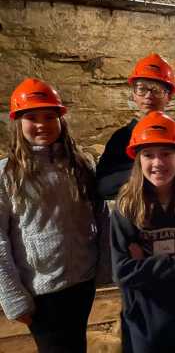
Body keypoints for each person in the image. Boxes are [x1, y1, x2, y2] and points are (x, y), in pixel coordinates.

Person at [0, 78, 103, 353]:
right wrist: (13, 297)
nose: (42, 124)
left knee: (76, 345)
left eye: (49, 116)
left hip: (82, 281)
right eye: (32, 117)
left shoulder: (81, 164)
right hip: (41, 289)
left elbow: (97, 215)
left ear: (61, 119)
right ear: (18, 122)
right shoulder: (7, 174)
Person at [110, 111, 175, 353]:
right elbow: (122, 272)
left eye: (166, 153)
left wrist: (145, 264)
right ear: (138, 160)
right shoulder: (127, 209)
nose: (158, 163)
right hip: (142, 323)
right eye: (148, 155)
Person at [96, 53, 175, 199]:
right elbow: (102, 186)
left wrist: (131, 177)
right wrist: (148, 171)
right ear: (134, 94)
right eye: (142, 88)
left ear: (168, 96)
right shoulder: (120, 138)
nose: (148, 96)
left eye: (156, 89)